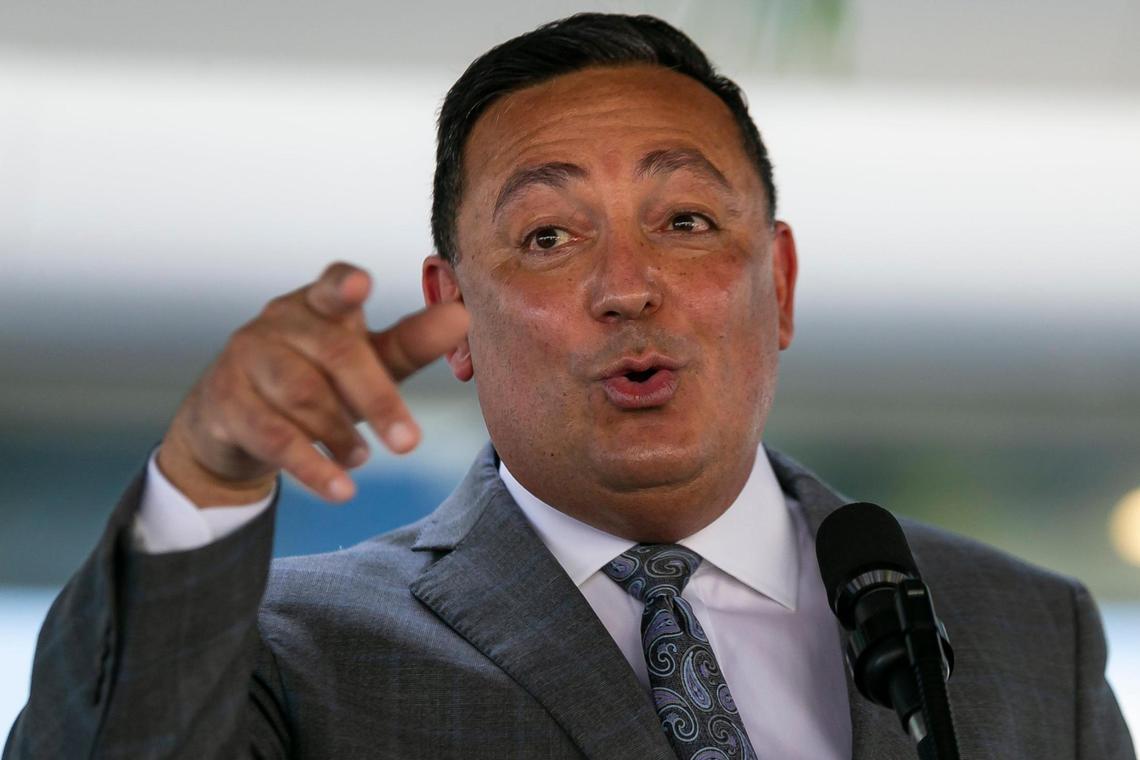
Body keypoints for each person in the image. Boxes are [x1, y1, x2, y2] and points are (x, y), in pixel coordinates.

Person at [4, 12, 1134, 760]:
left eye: (685, 222)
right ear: (457, 316)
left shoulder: (1031, 632)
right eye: (547, 237)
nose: (626, 286)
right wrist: (205, 476)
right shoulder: (288, 648)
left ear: (777, 284)